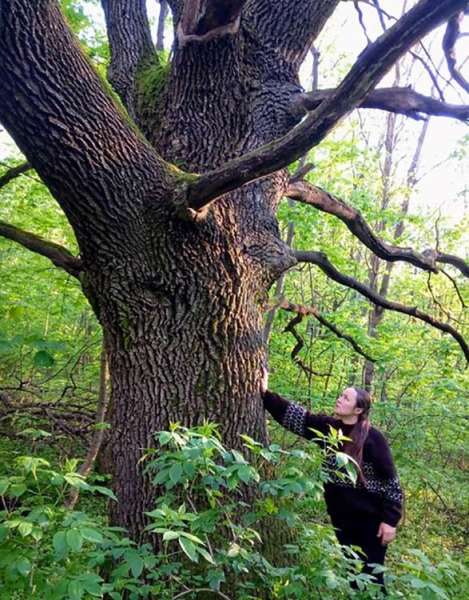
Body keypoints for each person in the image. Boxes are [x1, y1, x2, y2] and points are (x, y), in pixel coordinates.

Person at [260, 369, 403, 594]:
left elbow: (391, 483)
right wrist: (266, 393)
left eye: (346, 397)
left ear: (358, 410)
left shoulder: (374, 439)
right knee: (352, 573)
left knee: (372, 579)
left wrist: (390, 521)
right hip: (342, 519)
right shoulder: (329, 429)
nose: (339, 398)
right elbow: (298, 418)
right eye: (341, 395)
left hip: (371, 523)